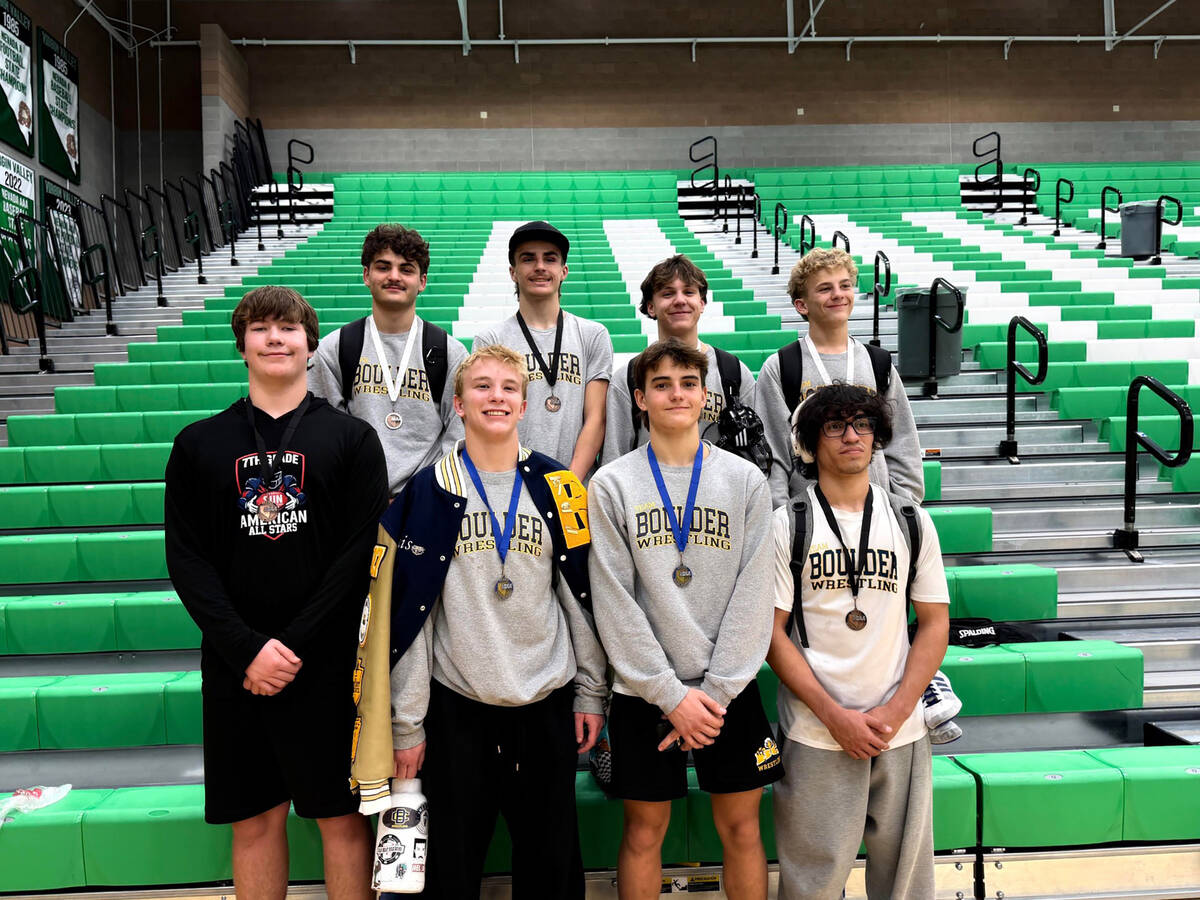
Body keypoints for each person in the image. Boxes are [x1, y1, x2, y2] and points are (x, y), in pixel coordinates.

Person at [349, 344, 608, 898]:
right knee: (453, 867)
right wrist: (408, 723)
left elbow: (581, 598)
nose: (496, 396)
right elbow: (412, 622)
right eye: (482, 386)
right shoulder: (427, 491)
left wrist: (590, 692)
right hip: (457, 709)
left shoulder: (560, 485)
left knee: (551, 864)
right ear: (460, 404)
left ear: (524, 403)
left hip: (546, 702)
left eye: (508, 388)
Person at [165, 286, 388, 900]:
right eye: (260, 328)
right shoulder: (198, 444)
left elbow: (356, 556)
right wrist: (246, 649)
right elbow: (187, 560)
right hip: (238, 667)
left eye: (288, 329)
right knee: (255, 820)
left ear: (310, 346)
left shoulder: (351, 439)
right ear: (241, 345)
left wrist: (291, 644)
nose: (275, 338)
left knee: (340, 820)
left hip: (327, 662)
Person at [589, 338, 779, 899]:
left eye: (689, 384)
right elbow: (613, 599)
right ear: (640, 398)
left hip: (729, 689)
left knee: (742, 828)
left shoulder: (746, 480)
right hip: (644, 691)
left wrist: (713, 694)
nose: (677, 394)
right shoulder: (612, 484)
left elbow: (754, 595)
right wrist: (670, 696)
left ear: (707, 398)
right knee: (644, 831)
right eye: (662, 384)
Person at [767, 384, 950, 900]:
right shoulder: (788, 525)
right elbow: (771, 635)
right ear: (810, 441)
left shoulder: (911, 520)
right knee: (812, 885)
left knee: (907, 885)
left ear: (878, 438)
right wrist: (834, 716)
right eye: (835, 425)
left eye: (863, 425)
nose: (852, 436)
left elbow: (935, 623)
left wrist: (895, 711)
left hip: (901, 729)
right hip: (815, 732)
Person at [753, 248, 923, 510]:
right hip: (808, 521)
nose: (838, 294)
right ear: (801, 304)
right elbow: (774, 455)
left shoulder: (879, 364)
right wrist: (783, 520)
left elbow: (903, 445)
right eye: (824, 289)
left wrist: (902, 510)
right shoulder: (782, 367)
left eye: (845, 285)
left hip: (876, 515)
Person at [309, 224, 468, 496]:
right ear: (366, 275)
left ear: (422, 281)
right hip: (355, 502)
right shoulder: (337, 347)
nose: (394, 276)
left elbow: (458, 436)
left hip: (427, 499)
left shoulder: (448, 351)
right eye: (383, 267)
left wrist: (427, 494)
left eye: (406, 269)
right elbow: (324, 432)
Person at [472, 220, 612, 481]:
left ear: (564, 271)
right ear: (513, 272)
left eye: (550, 259)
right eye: (528, 259)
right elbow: (488, 421)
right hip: (513, 483)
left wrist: (568, 483)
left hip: (575, 484)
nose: (539, 267)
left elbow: (596, 418)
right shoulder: (491, 339)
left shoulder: (593, 335)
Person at [601, 254, 756, 466]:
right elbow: (614, 459)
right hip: (649, 495)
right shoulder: (628, 377)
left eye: (689, 292)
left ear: (701, 303)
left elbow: (756, 451)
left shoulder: (734, 372)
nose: (680, 300)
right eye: (668, 293)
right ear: (651, 307)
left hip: (719, 496)